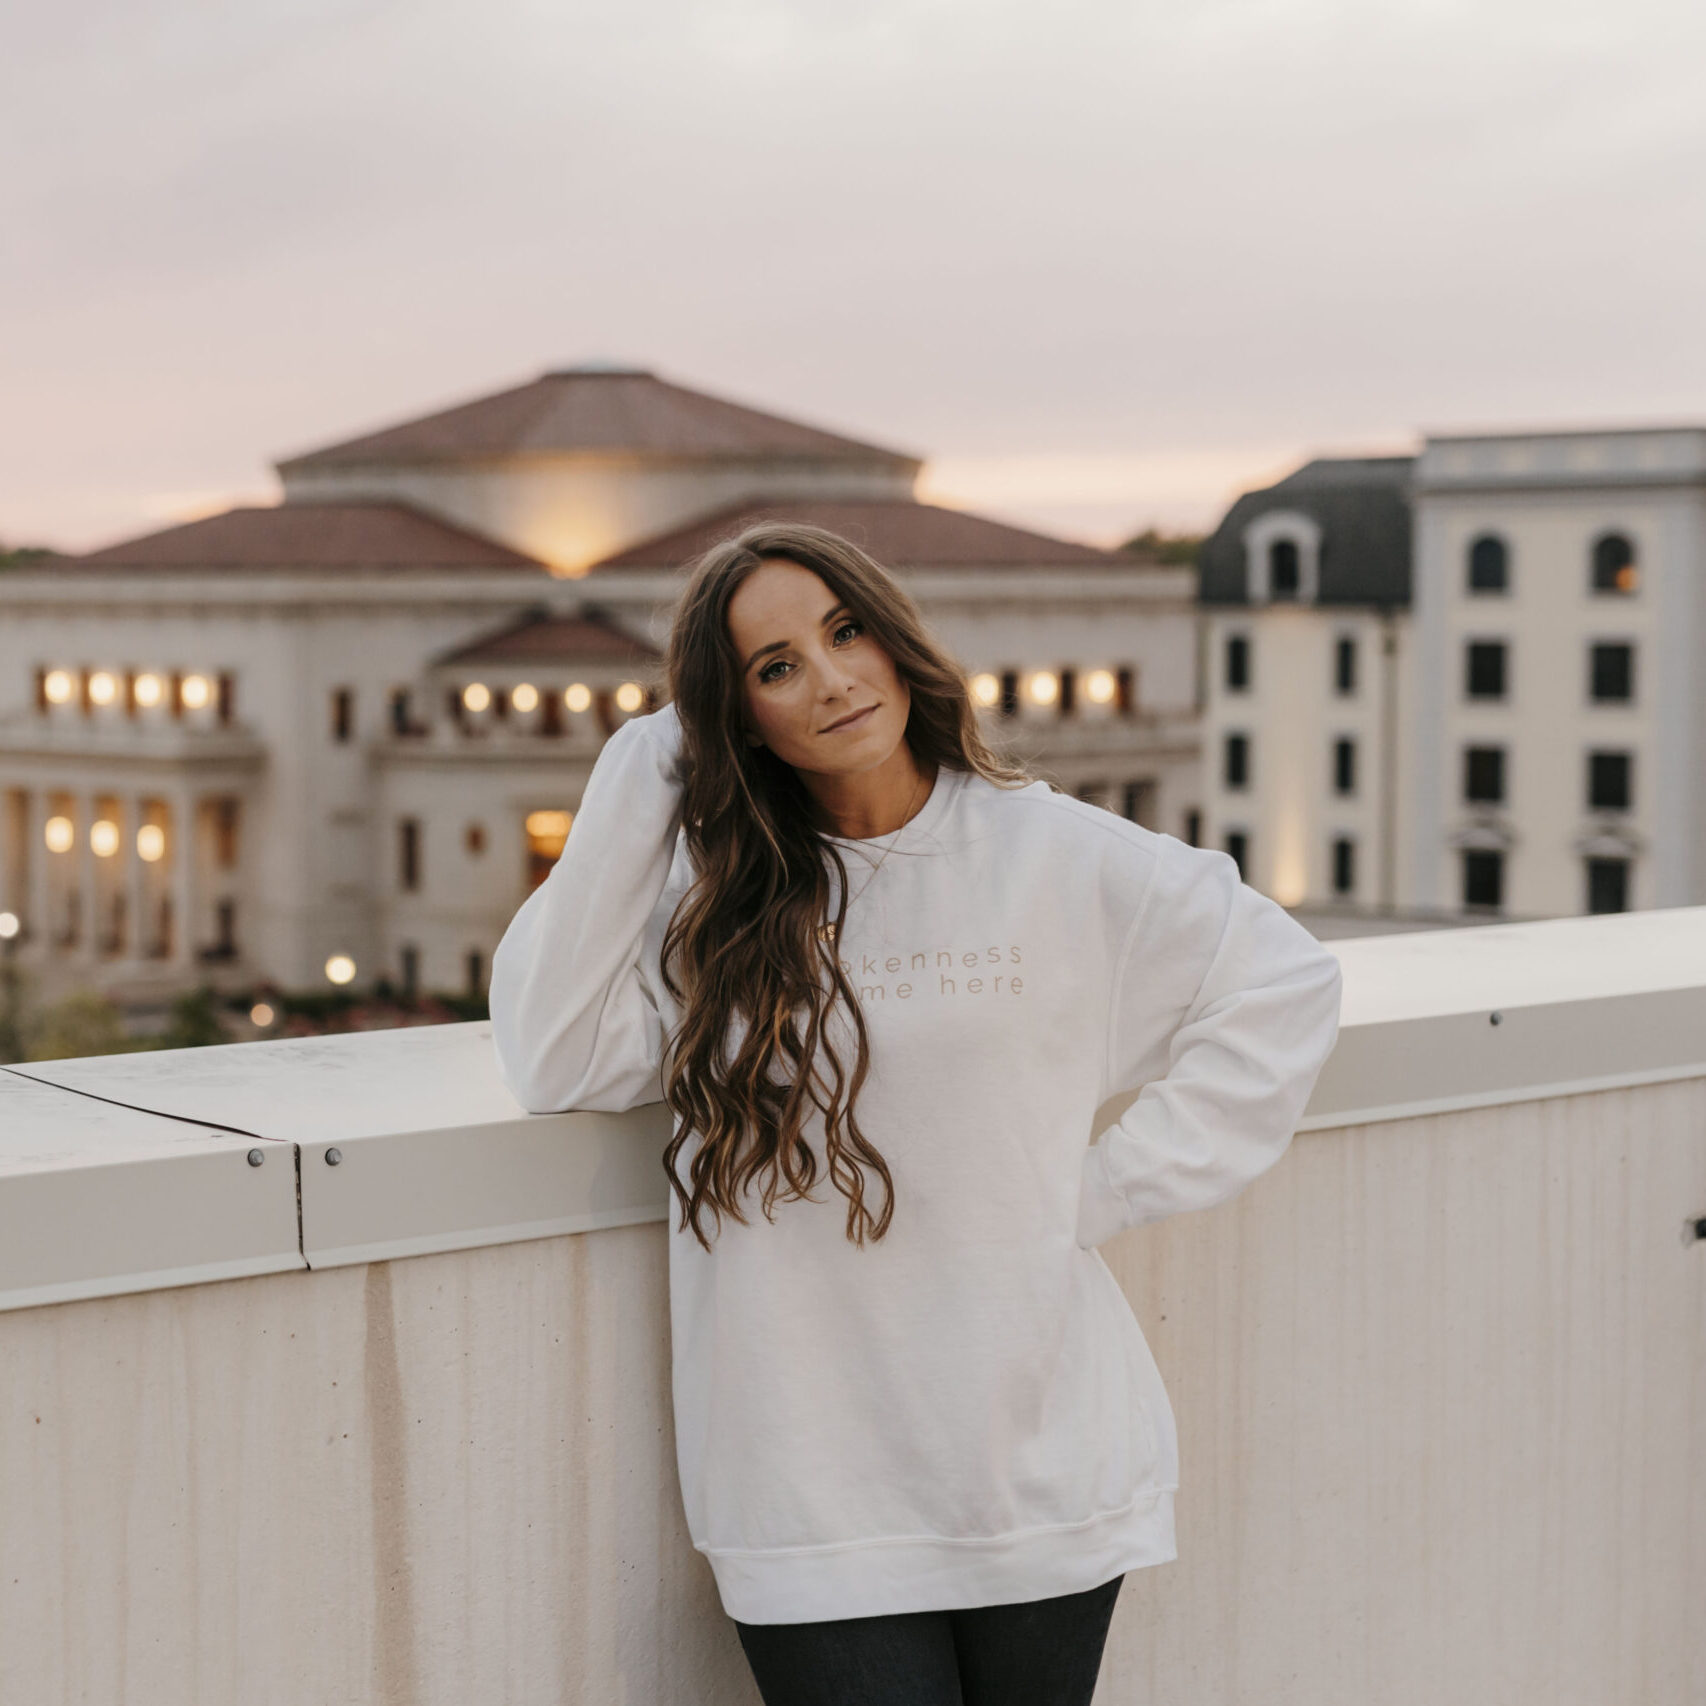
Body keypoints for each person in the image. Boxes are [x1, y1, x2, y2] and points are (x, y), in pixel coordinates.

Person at [488, 522, 1344, 1705]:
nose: (832, 677)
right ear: (734, 717)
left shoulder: (1046, 849)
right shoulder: (707, 911)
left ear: (896, 642)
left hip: (1039, 1462)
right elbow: (549, 1051)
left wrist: (1099, 1188)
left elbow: (1282, 981)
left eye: (845, 632)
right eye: (774, 665)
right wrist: (644, 769)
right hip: (806, 1483)